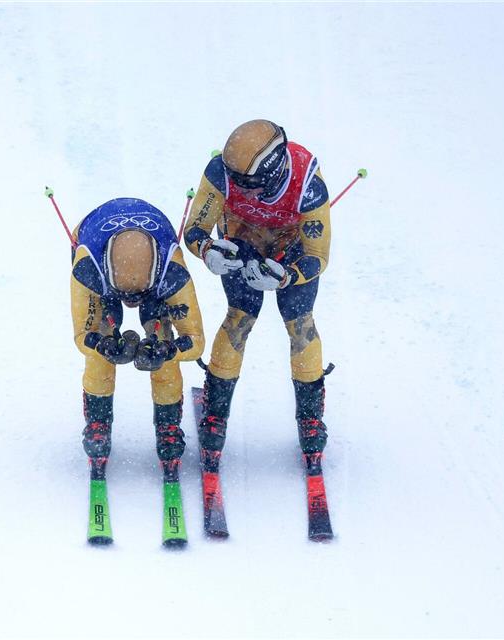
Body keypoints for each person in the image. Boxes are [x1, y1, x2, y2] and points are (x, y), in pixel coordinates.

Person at [183, 119, 332, 476]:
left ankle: (310, 419)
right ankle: (216, 415)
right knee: (239, 317)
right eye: (235, 181)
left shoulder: (308, 184)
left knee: (300, 324)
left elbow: (318, 257)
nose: (240, 190)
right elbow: (194, 229)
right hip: (242, 245)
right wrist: (207, 250)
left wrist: (287, 276)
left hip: (291, 252)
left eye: (249, 184)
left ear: (274, 173)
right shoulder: (220, 172)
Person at [71, 198, 205, 483]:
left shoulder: (172, 271)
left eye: (138, 296)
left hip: (148, 275)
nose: (131, 303)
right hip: (96, 250)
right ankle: (98, 423)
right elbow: (82, 334)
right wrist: (102, 344)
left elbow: (195, 340)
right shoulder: (87, 268)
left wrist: (167, 350)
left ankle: (168, 426)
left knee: (161, 337)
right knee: (102, 343)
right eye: (126, 296)